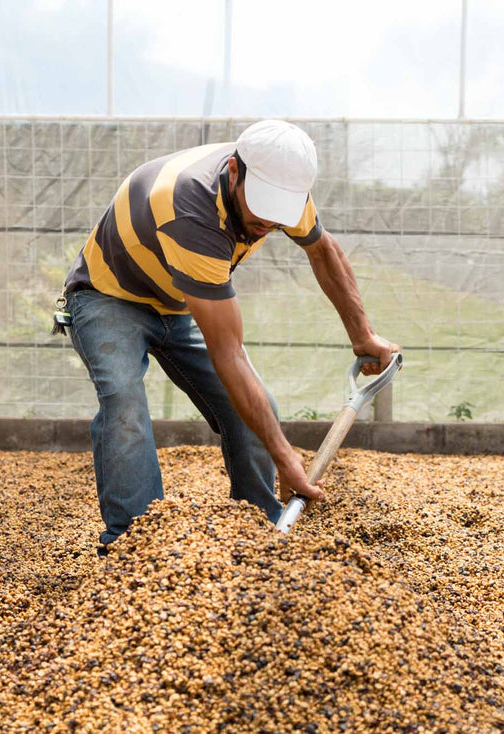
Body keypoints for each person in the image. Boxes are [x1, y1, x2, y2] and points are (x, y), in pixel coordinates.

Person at [59, 119, 400, 553]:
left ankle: (258, 529)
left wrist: (363, 334)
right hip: (109, 296)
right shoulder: (189, 207)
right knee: (123, 400)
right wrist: (286, 458)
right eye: (261, 207)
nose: (268, 221)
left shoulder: (283, 182)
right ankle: (135, 544)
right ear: (234, 171)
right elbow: (228, 354)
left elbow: (322, 249)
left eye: (279, 213)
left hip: (177, 299)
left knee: (257, 408)